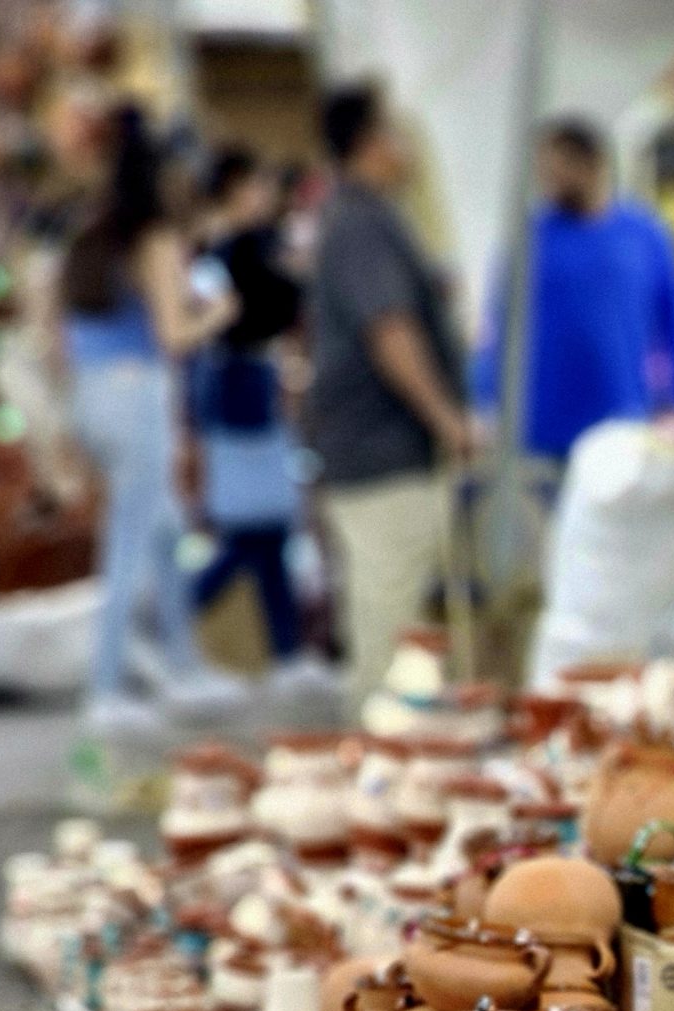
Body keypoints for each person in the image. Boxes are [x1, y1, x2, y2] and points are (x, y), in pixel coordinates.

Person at [53, 102, 239, 729]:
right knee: (131, 541)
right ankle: (104, 690)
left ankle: (183, 667)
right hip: (138, 398)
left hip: (92, 394)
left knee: (163, 532)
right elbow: (174, 335)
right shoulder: (153, 239)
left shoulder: (93, 234)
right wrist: (219, 311)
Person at [307, 81, 469, 713]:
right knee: (388, 620)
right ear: (372, 144)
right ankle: (378, 764)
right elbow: (390, 331)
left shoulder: (365, 216)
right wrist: (446, 418)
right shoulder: (360, 222)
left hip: (378, 447)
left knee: (389, 609)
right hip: (382, 449)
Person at [471, 116, 674, 463]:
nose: (548, 178)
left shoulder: (644, 236)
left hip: (621, 422)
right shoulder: (528, 240)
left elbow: (673, 324)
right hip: (539, 430)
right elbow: (499, 327)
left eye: (558, 166)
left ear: (593, 163)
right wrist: (485, 397)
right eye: (543, 169)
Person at [188, 144, 313, 681]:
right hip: (238, 386)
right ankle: (174, 616)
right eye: (256, 185)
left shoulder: (251, 248)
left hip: (253, 381)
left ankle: (288, 652)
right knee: (252, 530)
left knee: (266, 532)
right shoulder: (228, 253)